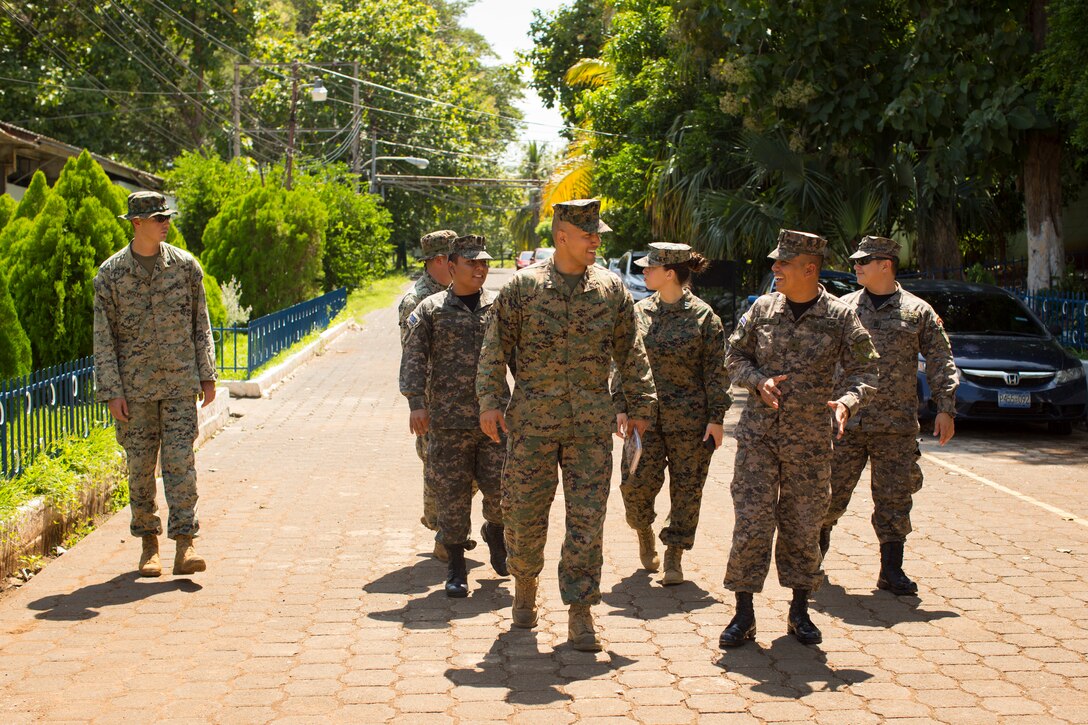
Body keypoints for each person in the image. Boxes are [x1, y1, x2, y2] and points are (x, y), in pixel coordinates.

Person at [477, 198, 656, 652]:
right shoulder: (523, 287)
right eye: (587, 233)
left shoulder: (612, 289)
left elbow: (631, 352)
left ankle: (580, 610)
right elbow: (494, 349)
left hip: (590, 428)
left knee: (586, 521)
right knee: (523, 514)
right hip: (532, 425)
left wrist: (640, 406)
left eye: (597, 233)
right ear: (562, 237)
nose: (596, 240)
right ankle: (524, 587)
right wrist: (489, 402)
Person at [719, 229, 878, 647]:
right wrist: (757, 381)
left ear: (810, 269)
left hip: (809, 442)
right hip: (758, 439)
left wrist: (847, 401)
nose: (775, 269)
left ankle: (799, 611)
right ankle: (743, 613)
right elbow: (733, 356)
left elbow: (866, 372)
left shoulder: (841, 317)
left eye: (782, 263)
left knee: (803, 527)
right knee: (752, 524)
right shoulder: (762, 310)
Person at [821, 235, 958, 596]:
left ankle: (891, 571)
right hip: (845, 423)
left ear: (886, 264)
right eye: (855, 261)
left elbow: (941, 359)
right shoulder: (844, 308)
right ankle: (810, 563)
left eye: (864, 261)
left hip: (896, 426)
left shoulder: (918, 312)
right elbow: (819, 357)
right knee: (828, 495)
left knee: (895, 499)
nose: (856, 267)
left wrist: (945, 408)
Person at [93, 191, 217, 577]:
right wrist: (111, 391)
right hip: (135, 391)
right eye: (158, 217)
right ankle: (149, 544)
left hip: (180, 384)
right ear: (136, 223)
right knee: (140, 469)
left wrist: (207, 373)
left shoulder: (185, 267)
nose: (166, 222)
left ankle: (185, 544)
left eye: (167, 216)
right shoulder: (110, 274)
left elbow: (202, 324)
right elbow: (104, 337)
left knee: (182, 465)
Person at [612, 242, 731, 586]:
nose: (644, 271)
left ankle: (674, 555)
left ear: (670, 273)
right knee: (632, 487)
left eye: (650, 267)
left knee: (687, 490)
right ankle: (644, 529)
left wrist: (717, 417)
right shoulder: (638, 312)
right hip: (643, 421)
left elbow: (716, 371)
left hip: (690, 422)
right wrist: (620, 404)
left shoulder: (705, 317)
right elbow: (623, 361)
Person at [399, 235, 509, 597]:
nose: (480, 269)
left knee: (501, 489)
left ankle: (495, 530)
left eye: (484, 263)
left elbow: (522, 355)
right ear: (451, 266)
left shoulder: (501, 306)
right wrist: (416, 401)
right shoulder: (430, 309)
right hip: (447, 419)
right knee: (452, 495)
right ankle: (457, 565)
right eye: (471, 263)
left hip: (495, 417)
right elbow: (414, 356)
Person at [397, 229, 456, 562]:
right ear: (439, 260)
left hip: (462, 398)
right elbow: (412, 357)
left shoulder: (457, 292)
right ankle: (441, 530)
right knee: (437, 466)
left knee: (460, 469)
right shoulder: (416, 301)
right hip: (434, 401)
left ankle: (442, 524)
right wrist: (416, 403)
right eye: (454, 258)